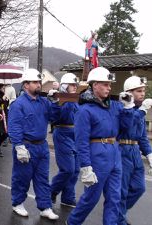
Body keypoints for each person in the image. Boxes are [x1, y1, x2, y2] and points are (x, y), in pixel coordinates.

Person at [66, 67, 131, 225]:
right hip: (97, 153)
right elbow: (81, 141)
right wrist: (86, 167)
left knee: (114, 197)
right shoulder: (85, 110)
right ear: (94, 85)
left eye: (109, 84)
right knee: (91, 198)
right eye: (105, 84)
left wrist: (128, 108)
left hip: (114, 152)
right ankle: (72, 222)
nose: (109, 87)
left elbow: (126, 127)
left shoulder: (114, 106)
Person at [8, 68, 60, 220]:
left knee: (43, 178)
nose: (39, 85)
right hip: (26, 145)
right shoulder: (18, 104)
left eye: (39, 82)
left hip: (42, 146)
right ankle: (17, 203)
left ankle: (45, 207)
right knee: (22, 177)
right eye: (35, 82)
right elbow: (15, 125)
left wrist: (55, 102)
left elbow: (54, 118)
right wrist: (18, 146)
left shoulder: (44, 102)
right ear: (26, 85)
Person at [117, 76, 152, 225]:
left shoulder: (139, 111)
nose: (142, 94)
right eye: (139, 91)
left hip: (135, 150)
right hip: (122, 149)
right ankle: (119, 219)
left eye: (143, 90)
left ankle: (119, 213)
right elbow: (127, 125)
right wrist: (143, 111)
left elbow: (142, 136)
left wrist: (150, 154)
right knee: (122, 190)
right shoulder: (123, 108)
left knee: (139, 187)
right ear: (129, 93)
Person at [50, 73, 80, 208]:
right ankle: (51, 191)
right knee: (68, 169)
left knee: (76, 170)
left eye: (75, 85)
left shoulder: (74, 100)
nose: (74, 87)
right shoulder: (59, 99)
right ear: (65, 86)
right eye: (72, 85)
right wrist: (57, 101)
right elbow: (55, 117)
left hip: (76, 134)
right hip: (63, 133)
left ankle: (68, 197)